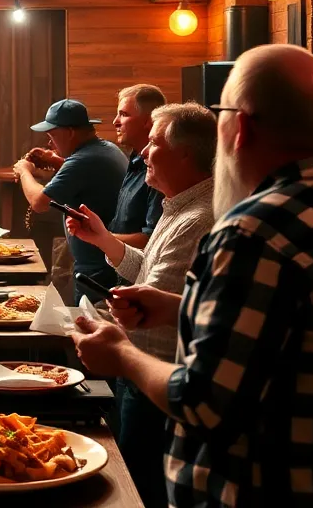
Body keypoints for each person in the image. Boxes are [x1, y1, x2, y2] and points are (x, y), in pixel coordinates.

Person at [72, 44, 313, 507]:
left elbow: (202, 400)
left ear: (242, 127)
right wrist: (182, 307)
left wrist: (121, 354)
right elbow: (300, 333)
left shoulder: (254, 231)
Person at [64, 103, 216, 508]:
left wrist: (102, 321)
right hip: (143, 371)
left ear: (184, 154)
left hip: (156, 381)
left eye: (153, 143)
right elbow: (147, 268)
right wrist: (103, 238)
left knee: (138, 491)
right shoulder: (178, 203)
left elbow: (149, 298)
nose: (144, 152)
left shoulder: (199, 218)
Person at [12, 98, 127, 303]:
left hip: (97, 267)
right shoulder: (106, 148)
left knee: (87, 319)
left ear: (70, 132)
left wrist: (24, 171)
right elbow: (82, 174)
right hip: (107, 260)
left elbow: (39, 203)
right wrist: (54, 160)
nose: (50, 143)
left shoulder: (82, 160)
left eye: (52, 136)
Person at [110, 84, 166, 248]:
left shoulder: (161, 167)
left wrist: (100, 238)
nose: (115, 122)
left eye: (123, 114)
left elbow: (152, 239)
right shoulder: (135, 158)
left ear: (148, 121)